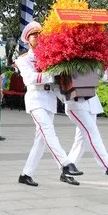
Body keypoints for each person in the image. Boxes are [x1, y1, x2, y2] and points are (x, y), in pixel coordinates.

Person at [15, 21, 83, 187]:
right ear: (27, 39)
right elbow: (31, 79)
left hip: (50, 98)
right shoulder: (23, 59)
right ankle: (65, 164)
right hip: (35, 98)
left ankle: (26, 174)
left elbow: (57, 82)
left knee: (41, 140)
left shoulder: (50, 57)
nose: (38, 37)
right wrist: (52, 73)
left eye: (40, 34)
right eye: (34, 35)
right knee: (48, 130)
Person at [60, 72, 108, 175]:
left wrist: (95, 69)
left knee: (81, 140)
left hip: (91, 102)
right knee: (93, 134)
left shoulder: (93, 62)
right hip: (76, 104)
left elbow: (107, 77)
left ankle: (67, 170)